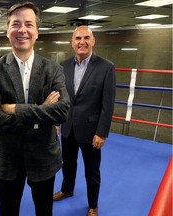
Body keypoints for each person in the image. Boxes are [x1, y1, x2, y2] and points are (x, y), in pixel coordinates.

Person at [0, 2, 70, 216]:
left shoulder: (53, 69)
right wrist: (41, 113)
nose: (22, 30)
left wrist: (13, 109)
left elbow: (62, 111)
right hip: (7, 156)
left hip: (43, 156)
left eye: (28, 24)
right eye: (15, 24)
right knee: (8, 211)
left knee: (44, 211)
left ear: (37, 32)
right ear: (7, 31)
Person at [53, 26, 116, 216]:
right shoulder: (63, 66)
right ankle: (67, 189)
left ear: (93, 40)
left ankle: (93, 205)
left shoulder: (106, 67)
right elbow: (59, 97)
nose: (82, 42)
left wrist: (102, 132)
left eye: (86, 37)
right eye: (78, 38)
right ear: (72, 42)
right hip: (68, 127)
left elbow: (108, 104)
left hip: (91, 131)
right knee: (68, 163)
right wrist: (57, 121)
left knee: (92, 171)